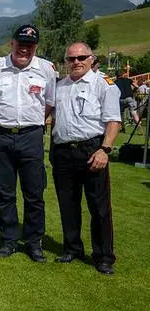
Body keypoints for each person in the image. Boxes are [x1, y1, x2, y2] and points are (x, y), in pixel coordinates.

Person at [0, 25, 56, 263]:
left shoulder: (46, 69)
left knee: (34, 192)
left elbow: (49, 103)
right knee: (4, 192)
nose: (24, 49)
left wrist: (30, 122)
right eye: (21, 44)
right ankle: (9, 239)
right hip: (0, 135)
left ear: (36, 47)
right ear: (12, 44)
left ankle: (34, 242)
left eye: (30, 46)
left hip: (31, 136)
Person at [51, 42, 120, 275]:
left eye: (81, 57)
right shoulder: (60, 86)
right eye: (71, 59)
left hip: (92, 149)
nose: (76, 62)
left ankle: (103, 256)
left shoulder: (103, 85)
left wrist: (105, 150)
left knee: (99, 207)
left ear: (91, 59)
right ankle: (72, 248)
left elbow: (113, 121)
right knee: (67, 204)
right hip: (63, 151)